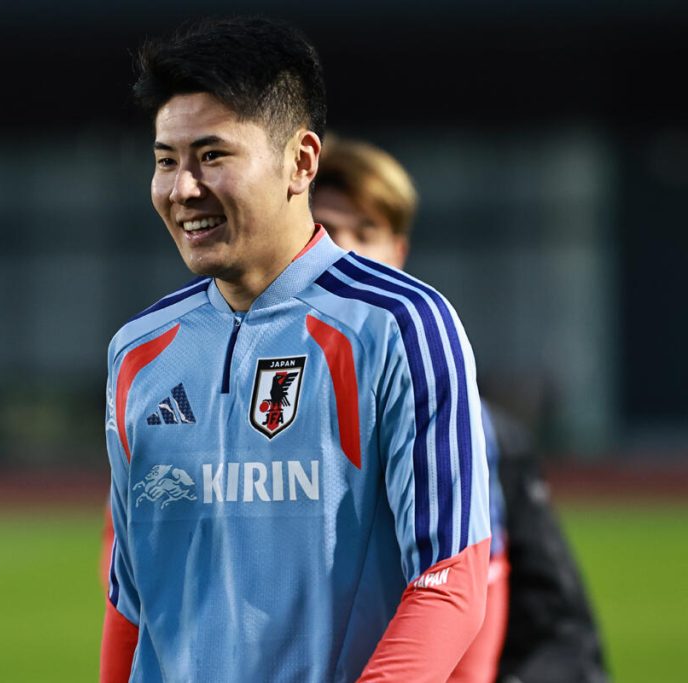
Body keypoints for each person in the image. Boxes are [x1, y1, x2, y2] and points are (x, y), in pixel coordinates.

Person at [101, 17, 491, 682]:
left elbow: (449, 576)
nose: (182, 188)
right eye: (166, 160)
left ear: (301, 161)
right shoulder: (137, 351)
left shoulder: (400, 324)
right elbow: (130, 600)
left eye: (212, 156)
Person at [312, 136, 609, 683]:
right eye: (325, 230)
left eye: (365, 231)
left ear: (399, 252)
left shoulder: (484, 430)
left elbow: (553, 630)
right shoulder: (221, 395)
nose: (345, 250)